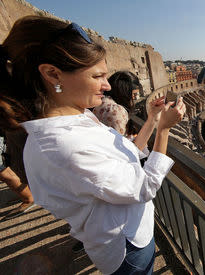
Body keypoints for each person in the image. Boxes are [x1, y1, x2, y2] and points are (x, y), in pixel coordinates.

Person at [0, 15, 185, 275]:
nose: (107, 85)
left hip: (128, 232)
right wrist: (164, 130)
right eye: (98, 76)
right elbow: (144, 187)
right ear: (53, 74)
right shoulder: (64, 145)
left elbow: (127, 154)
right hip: (126, 247)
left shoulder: (77, 117)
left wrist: (153, 119)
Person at [93, 71, 165, 145]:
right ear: (124, 92)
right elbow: (123, 149)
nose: (134, 98)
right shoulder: (115, 111)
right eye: (133, 94)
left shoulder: (102, 101)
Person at [0, 128, 35, 219]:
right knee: (15, 157)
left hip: (17, 124)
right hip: (9, 126)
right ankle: (29, 191)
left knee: (3, 170)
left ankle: (29, 198)